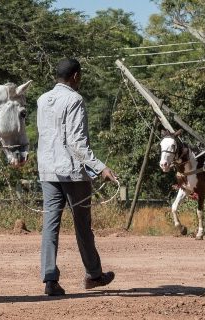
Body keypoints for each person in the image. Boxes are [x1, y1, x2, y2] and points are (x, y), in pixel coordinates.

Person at [36, 58, 118, 296]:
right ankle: (93, 275)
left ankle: (50, 279)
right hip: (72, 174)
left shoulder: (42, 100)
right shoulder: (75, 100)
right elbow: (76, 142)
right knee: (82, 226)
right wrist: (101, 167)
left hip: (48, 171)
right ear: (75, 77)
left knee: (50, 226)